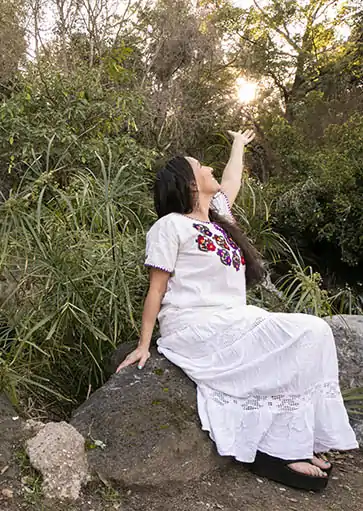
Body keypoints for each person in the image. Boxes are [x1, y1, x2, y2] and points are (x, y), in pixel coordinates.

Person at [116, 129, 358, 491]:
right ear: (189, 184)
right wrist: (143, 344)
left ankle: (295, 442)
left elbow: (231, 181)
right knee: (308, 332)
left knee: (316, 333)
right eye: (201, 166)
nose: (209, 167)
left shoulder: (217, 219)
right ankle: (280, 452)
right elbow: (157, 288)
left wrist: (238, 146)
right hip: (195, 327)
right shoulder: (170, 226)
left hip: (232, 320)